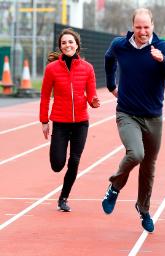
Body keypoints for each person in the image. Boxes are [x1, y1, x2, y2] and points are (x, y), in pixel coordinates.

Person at [102, 8, 165, 233]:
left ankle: (143, 209)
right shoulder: (121, 45)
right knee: (136, 153)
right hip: (127, 113)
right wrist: (111, 85)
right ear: (132, 26)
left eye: (146, 27)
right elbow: (109, 59)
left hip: (154, 117)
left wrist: (163, 60)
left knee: (149, 166)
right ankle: (114, 187)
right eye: (138, 27)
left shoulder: (163, 47)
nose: (142, 31)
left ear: (153, 27)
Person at [39, 28, 100, 212]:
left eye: (71, 42)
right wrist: (44, 121)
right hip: (60, 122)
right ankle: (59, 166)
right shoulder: (51, 69)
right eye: (64, 42)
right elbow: (44, 97)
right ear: (60, 46)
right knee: (57, 165)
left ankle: (63, 197)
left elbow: (91, 95)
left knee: (74, 160)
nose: (67, 45)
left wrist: (94, 101)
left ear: (77, 45)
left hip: (81, 122)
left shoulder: (87, 68)